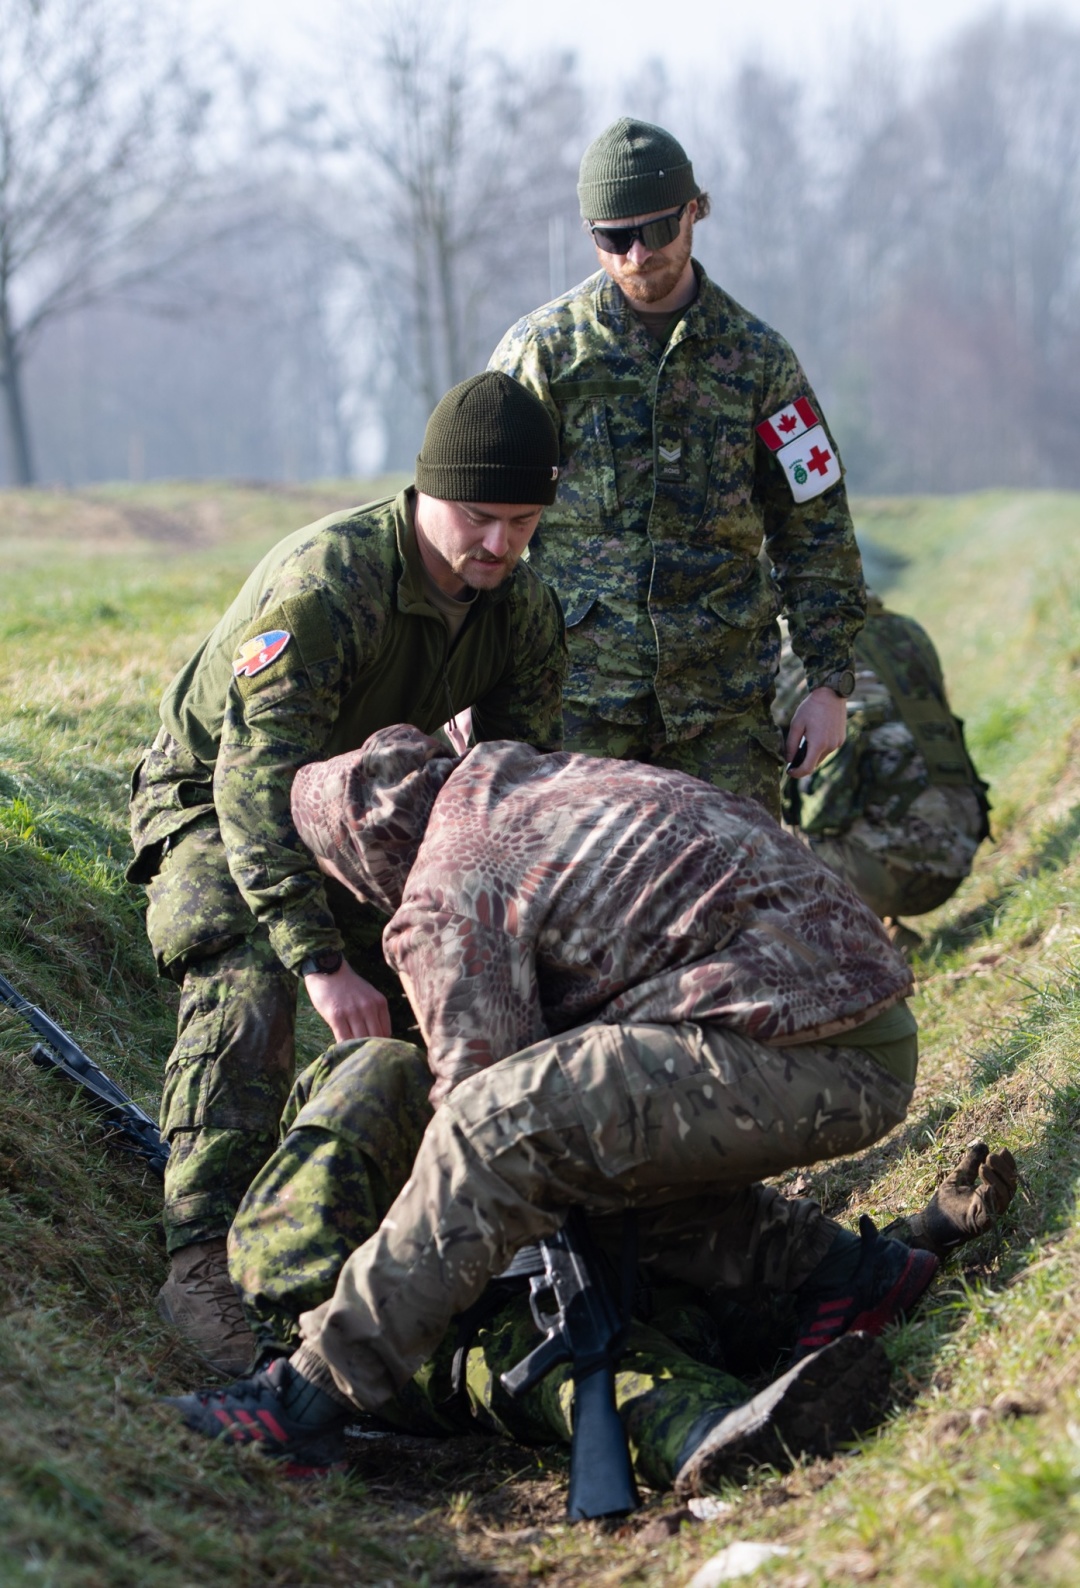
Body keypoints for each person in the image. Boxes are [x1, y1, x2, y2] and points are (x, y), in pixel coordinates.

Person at [166, 725, 948, 1478]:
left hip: (817, 1058)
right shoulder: (536, 783)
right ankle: (848, 1273)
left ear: (359, 856)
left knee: (500, 1129)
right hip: (859, 1024)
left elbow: (480, 1113)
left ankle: (302, 1401)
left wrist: (422, 1236)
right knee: (577, 1138)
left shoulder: (447, 888)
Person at [127, 374, 567, 1372]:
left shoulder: (523, 610)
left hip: (364, 802)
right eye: (478, 518)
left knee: (436, 997)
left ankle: (380, 1232)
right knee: (249, 976)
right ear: (427, 496)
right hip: (214, 794)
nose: (498, 545)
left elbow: (512, 796)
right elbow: (252, 783)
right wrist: (321, 959)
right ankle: (200, 1254)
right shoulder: (328, 590)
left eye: (523, 522)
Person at [489, 118, 866, 818]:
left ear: (695, 210)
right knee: (579, 911)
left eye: (658, 229)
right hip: (576, 708)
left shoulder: (758, 361)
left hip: (721, 714)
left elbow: (813, 526)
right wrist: (466, 679)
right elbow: (476, 528)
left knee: (735, 907)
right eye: (613, 237)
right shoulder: (542, 356)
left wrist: (827, 684)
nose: (637, 255)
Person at [773, 592, 991, 949]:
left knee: (758, 803)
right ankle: (884, 926)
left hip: (888, 872)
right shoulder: (906, 629)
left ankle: (858, 953)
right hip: (961, 848)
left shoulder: (788, 649)